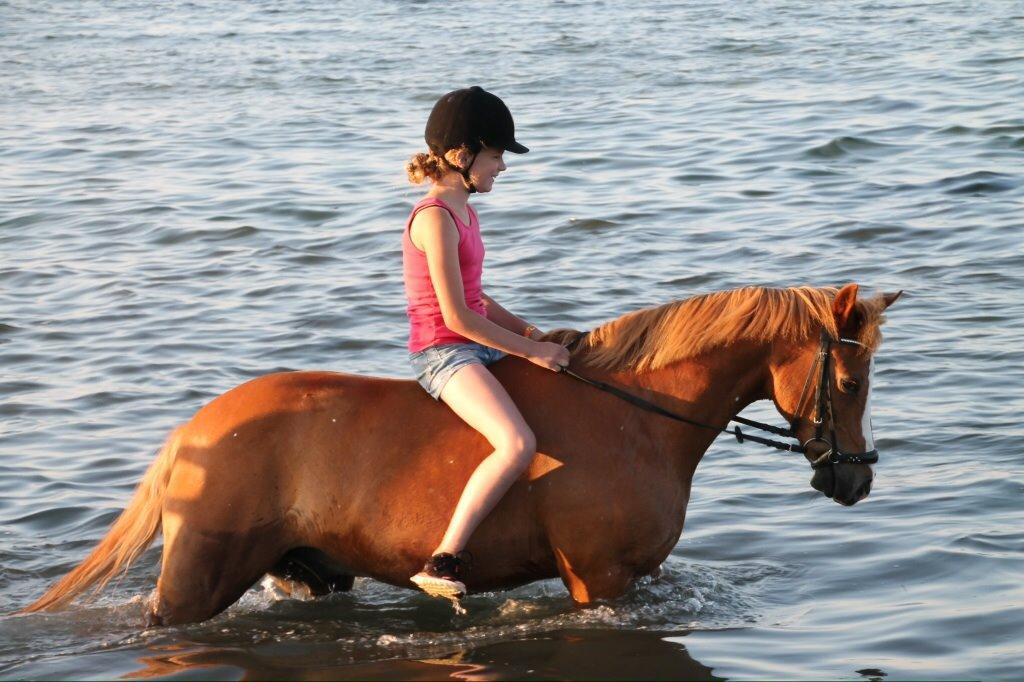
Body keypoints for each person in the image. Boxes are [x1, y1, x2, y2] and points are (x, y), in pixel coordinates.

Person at [402, 86, 571, 599]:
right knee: (518, 442)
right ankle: (443, 559)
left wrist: (529, 332)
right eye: (496, 155)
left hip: (476, 342)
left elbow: (477, 298)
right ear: (462, 156)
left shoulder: (464, 213)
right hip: (444, 351)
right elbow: (455, 315)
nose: (501, 166)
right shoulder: (434, 218)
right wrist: (533, 352)